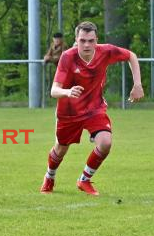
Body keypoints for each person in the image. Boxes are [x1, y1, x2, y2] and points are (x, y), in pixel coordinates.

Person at [40, 21, 144, 196]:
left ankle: (84, 180)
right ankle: (49, 176)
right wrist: (68, 91)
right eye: (82, 40)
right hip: (69, 112)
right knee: (60, 148)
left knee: (105, 143)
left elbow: (131, 56)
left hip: (94, 108)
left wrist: (138, 84)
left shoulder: (106, 51)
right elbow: (53, 91)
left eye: (90, 40)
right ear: (76, 40)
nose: (86, 44)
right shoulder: (67, 57)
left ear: (97, 40)